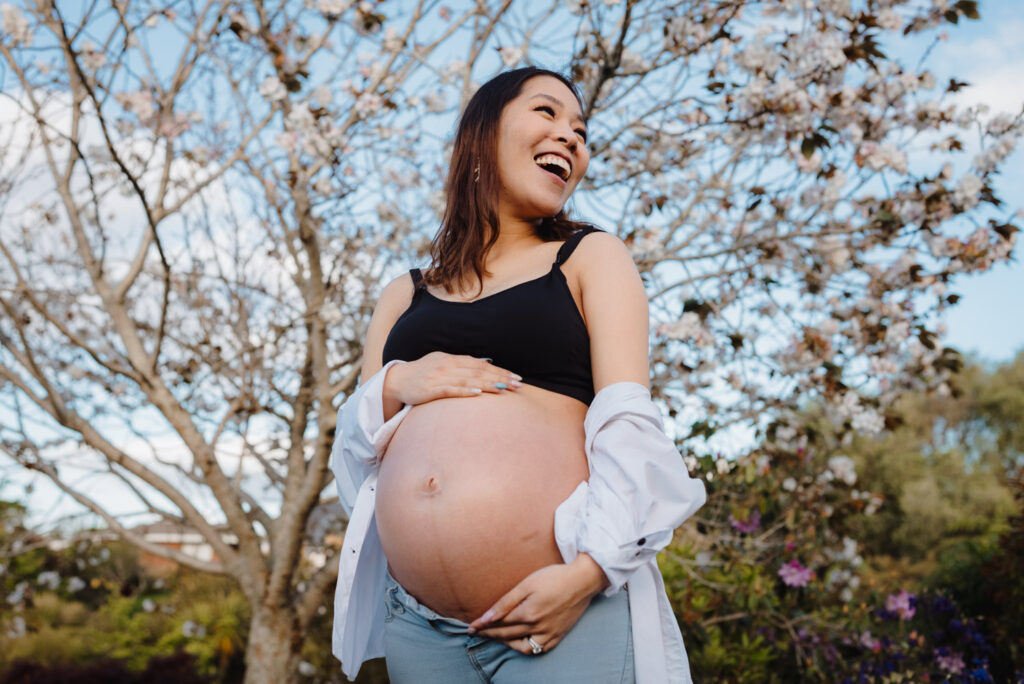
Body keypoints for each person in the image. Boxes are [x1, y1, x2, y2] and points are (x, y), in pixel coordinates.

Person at [330, 67, 706, 683]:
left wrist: (587, 577)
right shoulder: (402, 295)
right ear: (482, 133)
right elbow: (357, 466)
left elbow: (629, 425)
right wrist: (394, 385)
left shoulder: (590, 256)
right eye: (547, 113)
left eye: (581, 131)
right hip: (419, 628)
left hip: (562, 613)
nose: (571, 138)